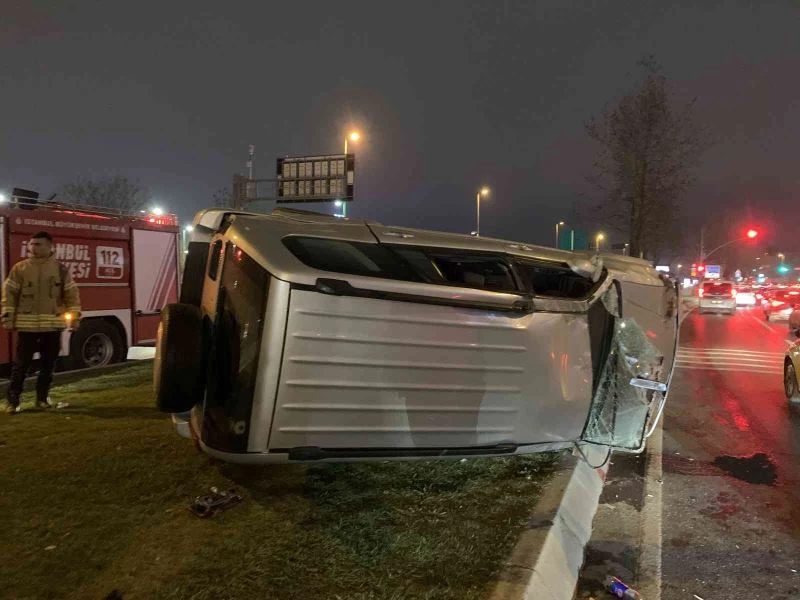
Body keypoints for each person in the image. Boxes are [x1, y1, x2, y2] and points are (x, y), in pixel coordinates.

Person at [1, 231, 81, 413]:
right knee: (21, 366)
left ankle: (42, 399)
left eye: (38, 244)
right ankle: (13, 402)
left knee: (48, 365)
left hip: (52, 326)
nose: (33, 248)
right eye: (31, 244)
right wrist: (8, 318)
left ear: (50, 246)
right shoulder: (20, 268)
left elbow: (71, 295)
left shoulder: (60, 270)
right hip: (27, 327)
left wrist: (75, 317)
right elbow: (9, 295)